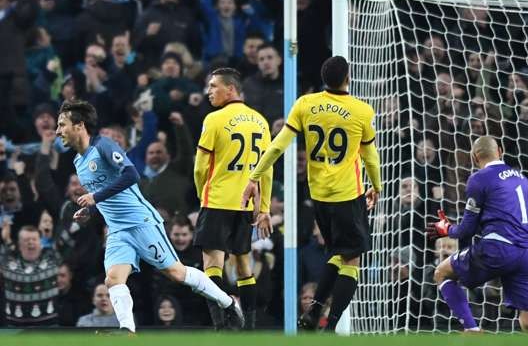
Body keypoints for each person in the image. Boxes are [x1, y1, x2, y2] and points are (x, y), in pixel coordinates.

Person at [55, 99, 243, 334]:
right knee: (113, 279)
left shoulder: (103, 145)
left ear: (79, 125)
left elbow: (131, 175)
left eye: (62, 124)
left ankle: (228, 302)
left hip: (140, 222)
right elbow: (107, 194)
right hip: (117, 230)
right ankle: (127, 331)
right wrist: (90, 210)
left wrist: (95, 197)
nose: (57, 131)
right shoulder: (78, 161)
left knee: (176, 272)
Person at [242, 56, 382, 332]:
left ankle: (314, 309)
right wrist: (376, 186)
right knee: (352, 261)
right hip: (347, 195)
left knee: (336, 253)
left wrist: (254, 176)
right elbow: (371, 158)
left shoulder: (305, 104)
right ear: (348, 78)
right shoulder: (362, 111)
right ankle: (330, 325)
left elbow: (277, 145)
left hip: (319, 197)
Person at [426, 136, 528, 332]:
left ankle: (472, 330)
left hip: (498, 248)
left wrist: (447, 229)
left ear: (475, 158)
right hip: (527, 252)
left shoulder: (479, 179)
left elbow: (467, 229)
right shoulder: (521, 178)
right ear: (500, 151)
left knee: (441, 272)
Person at [193, 67, 273, 330]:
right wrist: (264, 208)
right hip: (245, 205)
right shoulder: (261, 121)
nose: (209, 92)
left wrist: (201, 194)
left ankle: (222, 325)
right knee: (243, 265)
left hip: (216, 201)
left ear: (231, 89)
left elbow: (200, 168)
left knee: (212, 265)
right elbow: (267, 169)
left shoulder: (214, 120)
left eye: (214, 86)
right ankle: (248, 328)